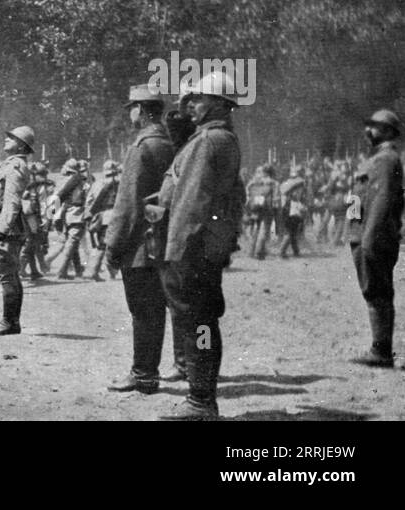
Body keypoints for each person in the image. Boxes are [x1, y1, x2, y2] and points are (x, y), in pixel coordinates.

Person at [151, 71, 245, 420]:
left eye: (198, 99)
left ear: (219, 103)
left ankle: (201, 401)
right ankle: (202, 396)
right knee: (201, 323)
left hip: (192, 249)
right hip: (205, 247)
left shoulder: (208, 142)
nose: (190, 105)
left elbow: (191, 203)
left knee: (197, 324)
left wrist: (175, 250)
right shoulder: (216, 138)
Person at [105, 84, 181, 394]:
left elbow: (126, 205)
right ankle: (148, 373)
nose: (130, 115)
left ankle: (143, 374)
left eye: (132, 109)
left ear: (141, 110)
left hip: (139, 244)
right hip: (164, 240)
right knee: (156, 309)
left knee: (142, 311)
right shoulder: (170, 143)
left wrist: (112, 245)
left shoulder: (141, 147)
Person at [347, 109, 404, 368]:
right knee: (375, 291)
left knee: (377, 292)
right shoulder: (378, 159)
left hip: (372, 236)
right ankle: (379, 348)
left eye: (376, 127)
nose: (368, 131)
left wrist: (370, 239)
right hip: (364, 233)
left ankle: (380, 351)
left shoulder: (385, 160)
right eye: (368, 126)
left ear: (390, 132)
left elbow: (381, 202)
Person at [0, 126, 35, 336]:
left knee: (7, 275)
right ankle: (11, 321)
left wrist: (2, 229)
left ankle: (9, 322)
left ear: (21, 145)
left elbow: (12, 201)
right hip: (0, 222)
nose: (6, 139)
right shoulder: (11, 165)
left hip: (6, 228)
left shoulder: (15, 166)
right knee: (9, 274)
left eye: (11, 138)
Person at [48, 158, 88, 279]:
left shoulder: (64, 181)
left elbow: (59, 197)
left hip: (65, 214)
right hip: (76, 214)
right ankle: (61, 270)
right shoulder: (77, 180)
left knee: (71, 243)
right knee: (71, 243)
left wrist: (50, 215)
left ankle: (78, 269)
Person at [84, 160, 120, 280]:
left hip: (100, 217)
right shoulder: (120, 183)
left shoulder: (97, 183)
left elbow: (89, 201)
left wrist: (90, 216)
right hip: (115, 216)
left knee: (102, 244)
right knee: (113, 245)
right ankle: (106, 271)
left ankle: (96, 270)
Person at [244, 164, 280, 259]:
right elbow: (276, 199)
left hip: (254, 208)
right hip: (266, 209)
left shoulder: (253, 182)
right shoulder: (274, 183)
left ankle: (250, 252)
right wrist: (276, 209)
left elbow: (247, 193)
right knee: (264, 230)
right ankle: (259, 252)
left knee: (255, 230)